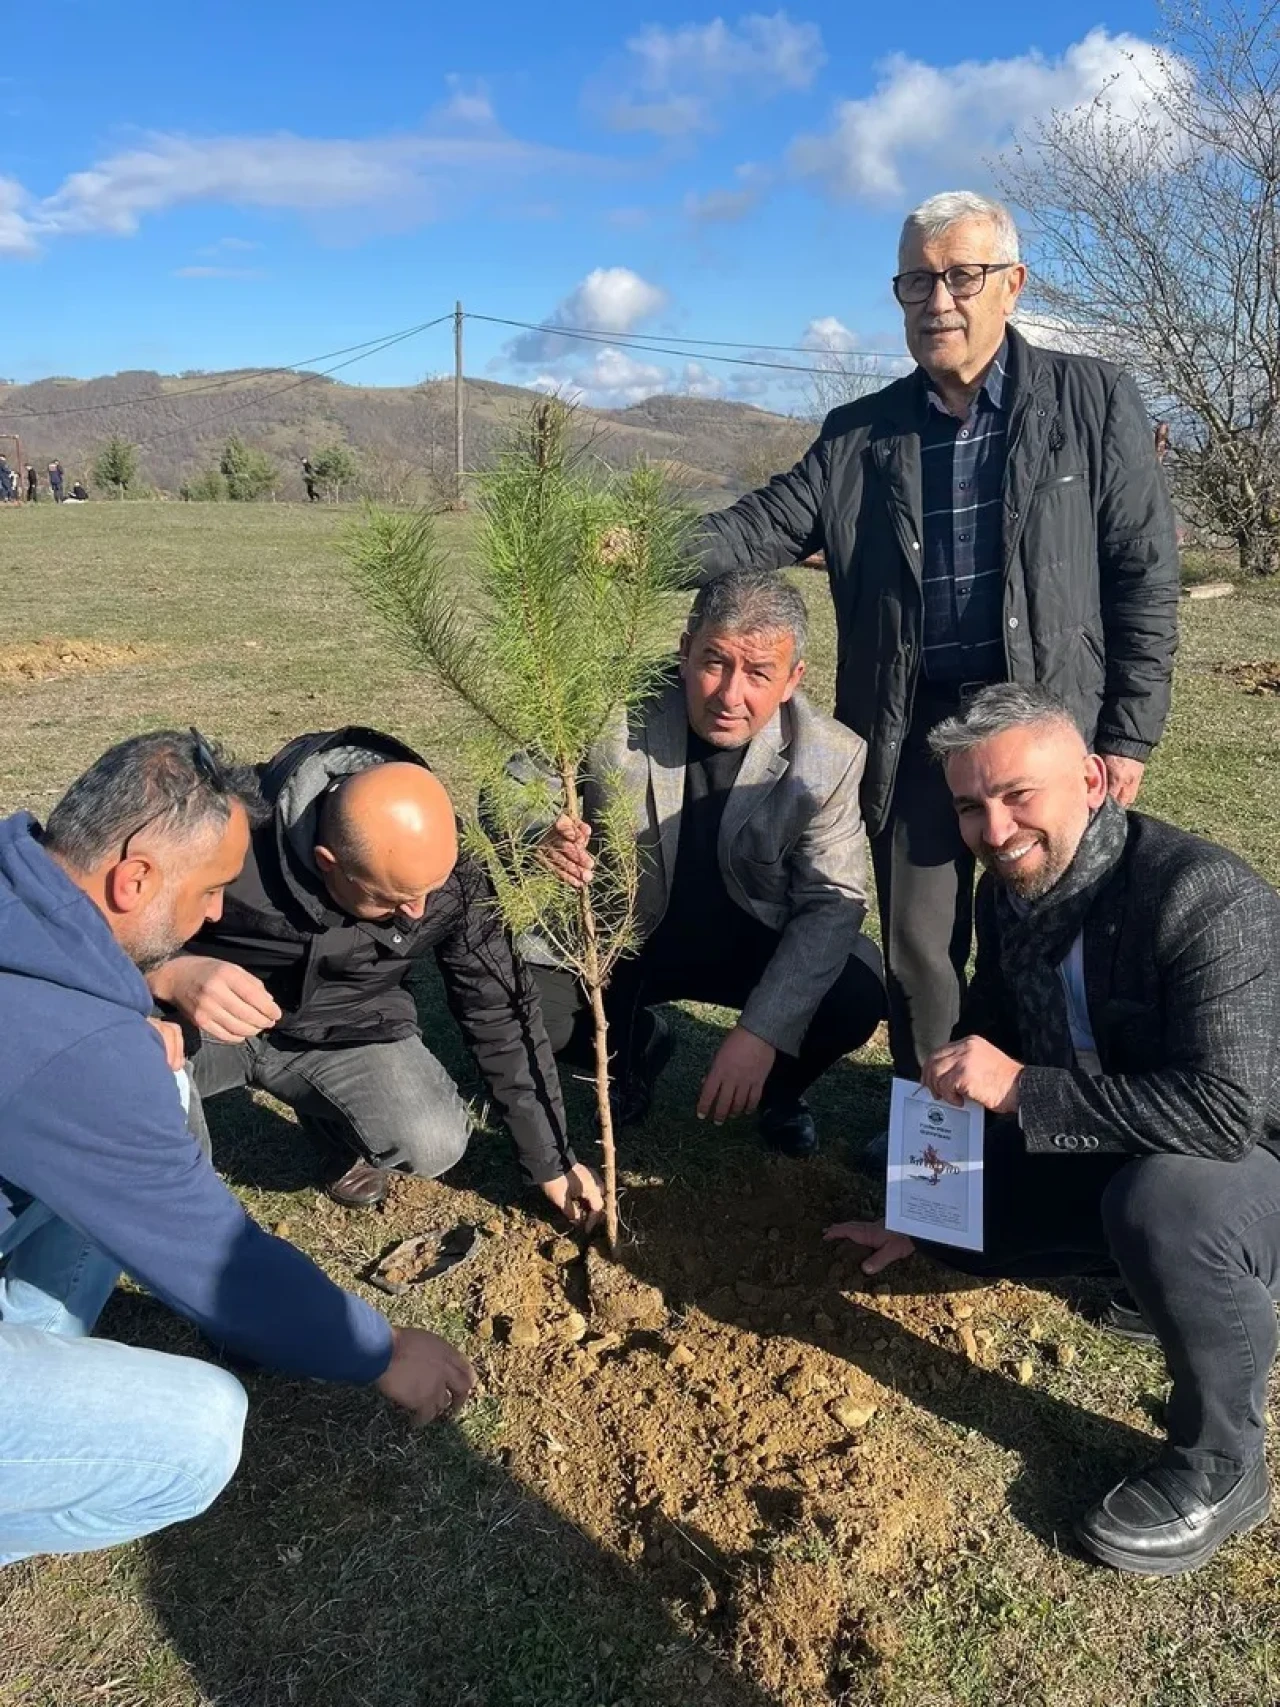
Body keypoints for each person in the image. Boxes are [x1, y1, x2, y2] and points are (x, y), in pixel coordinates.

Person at [690, 190, 1179, 1082]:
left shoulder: (1094, 400)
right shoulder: (859, 435)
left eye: (962, 276)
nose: (937, 301)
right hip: (912, 724)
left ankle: (1054, 1118)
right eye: (916, 282)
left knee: (1060, 928)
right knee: (920, 952)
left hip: (1048, 717)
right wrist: (632, 546)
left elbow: (1143, 575)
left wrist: (1127, 734)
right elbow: (758, 526)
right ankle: (937, 1145)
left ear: (1013, 284)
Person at [828, 684, 1280, 1577]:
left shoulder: (1203, 896)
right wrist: (922, 1203)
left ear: (1093, 780)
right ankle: (1149, 1279)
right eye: (971, 806)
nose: (994, 830)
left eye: (1017, 795)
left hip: (1251, 1156)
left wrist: (1022, 1090)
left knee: (1167, 1208)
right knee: (966, 1228)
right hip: (1123, 1134)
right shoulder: (1014, 892)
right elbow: (990, 1035)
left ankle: (1223, 1462)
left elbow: (1225, 1111)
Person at [0, 731, 476, 1566]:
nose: (218, 914)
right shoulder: (77, 1050)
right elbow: (217, 1258)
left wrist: (140, 1002)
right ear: (133, 878)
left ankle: (30, 1343)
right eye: (210, 890)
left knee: (158, 1081)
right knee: (200, 1429)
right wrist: (382, 1350)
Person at [150, 726, 600, 1224]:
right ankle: (178, 1212)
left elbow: (500, 1008)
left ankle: (330, 1125)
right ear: (328, 862)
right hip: (203, 1023)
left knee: (433, 1140)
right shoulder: (231, 832)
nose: (418, 911)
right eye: (394, 898)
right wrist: (167, 974)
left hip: (345, 1027)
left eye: (429, 890)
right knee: (140, 1071)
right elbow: (99, 923)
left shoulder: (448, 870)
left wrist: (552, 1162)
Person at [530, 572, 885, 1159]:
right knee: (527, 1003)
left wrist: (763, 1030)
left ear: (793, 679)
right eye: (714, 662)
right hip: (624, 938)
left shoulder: (832, 757)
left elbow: (831, 903)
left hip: (751, 943)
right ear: (685, 649)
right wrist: (540, 832)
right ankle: (633, 1047)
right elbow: (515, 786)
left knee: (855, 993)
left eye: (759, 674)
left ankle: (777, 1092)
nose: (729, 695)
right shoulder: (604, 703)